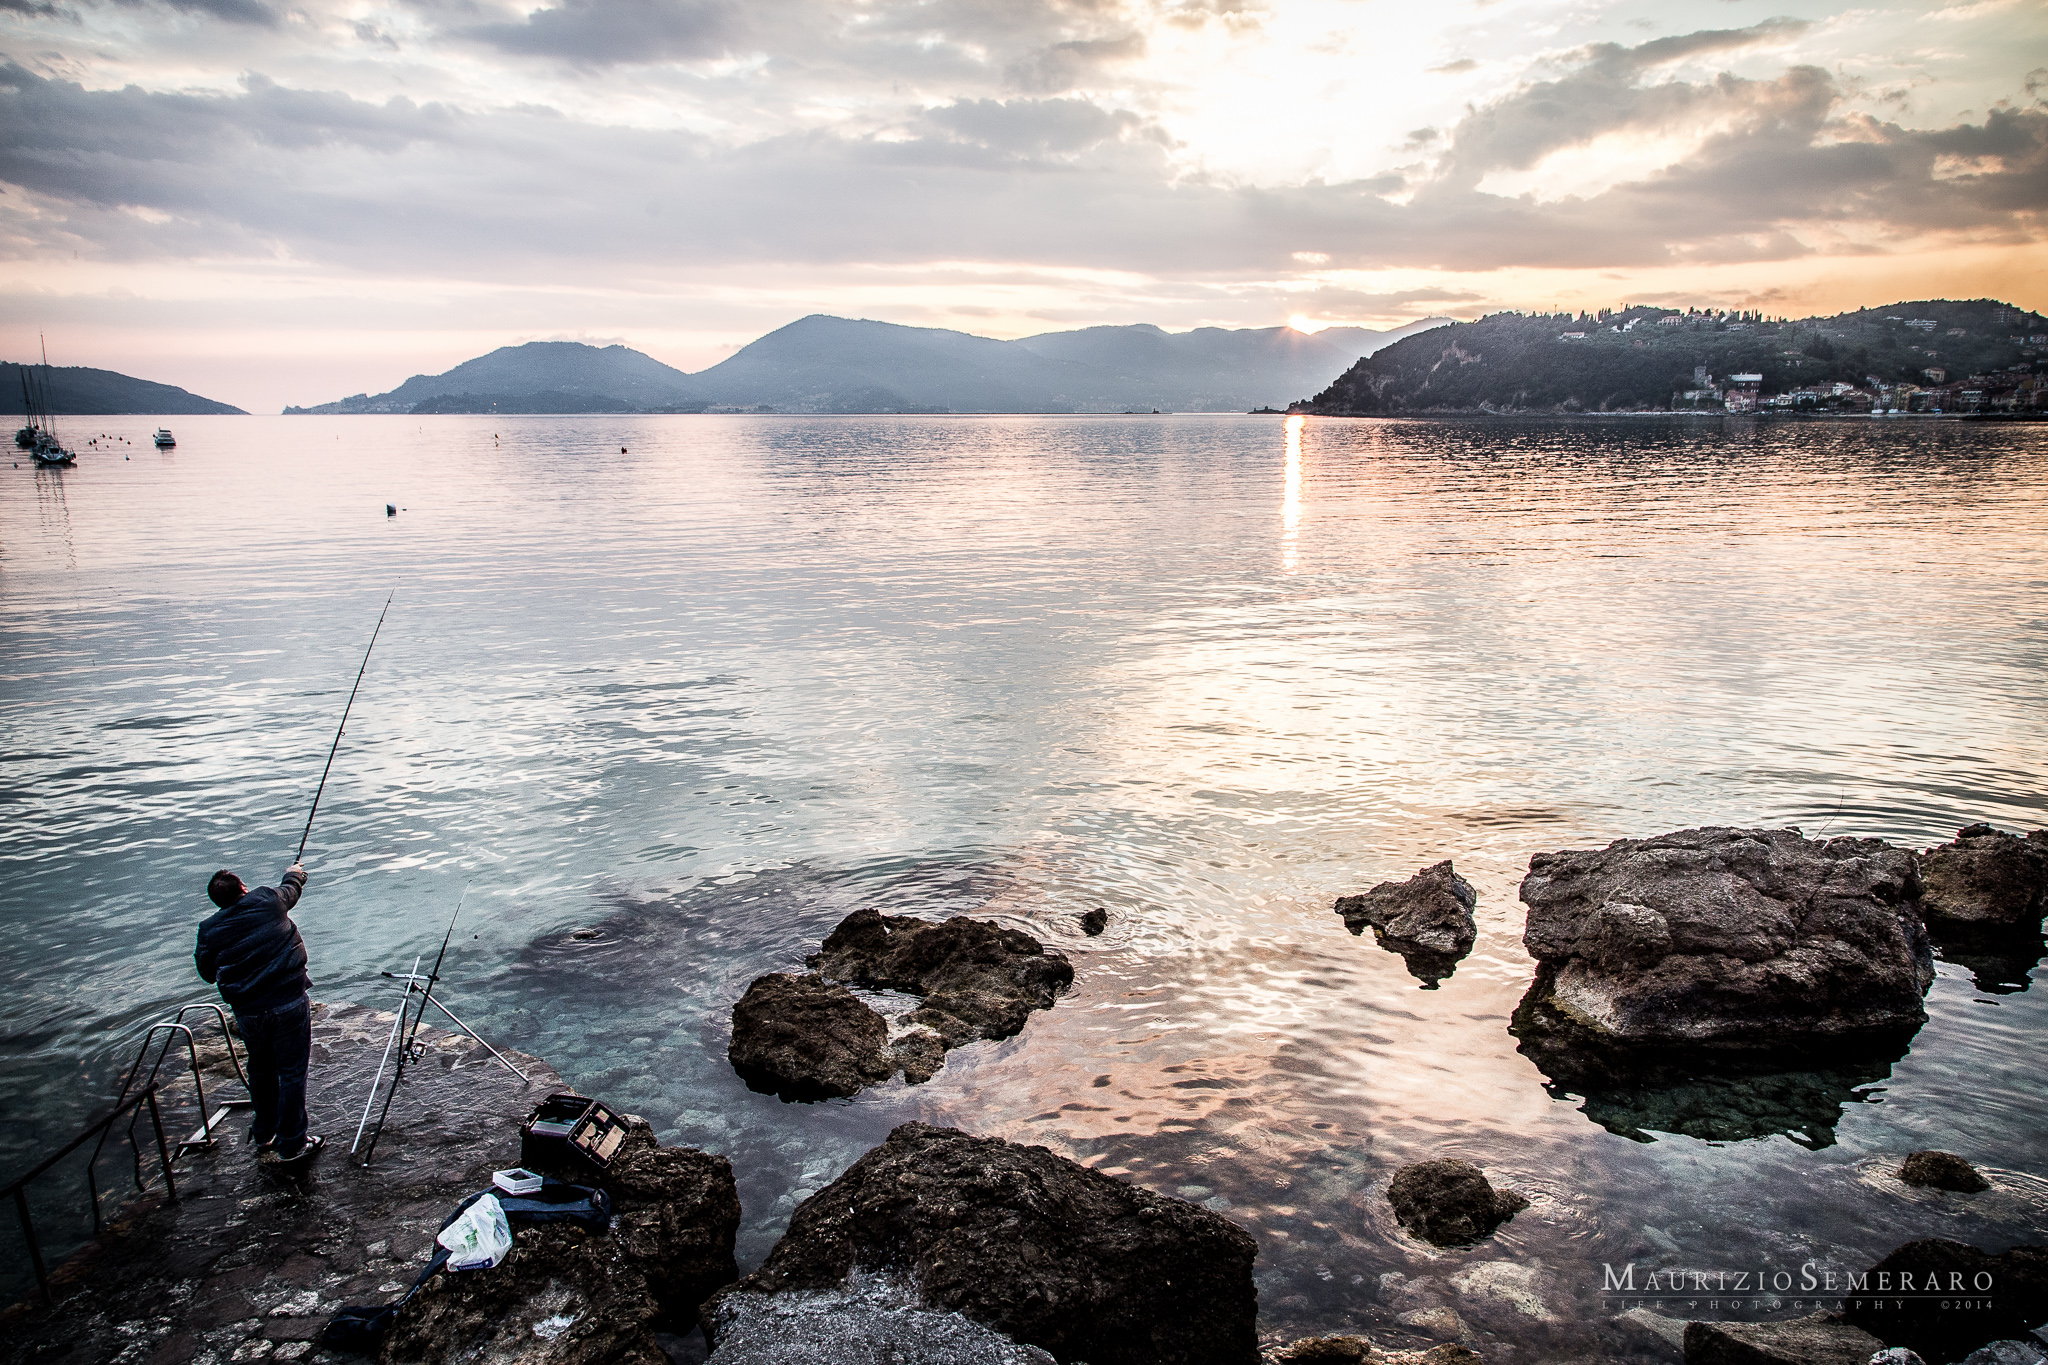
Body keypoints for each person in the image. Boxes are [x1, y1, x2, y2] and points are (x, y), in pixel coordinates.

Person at [195, 864, 324, 1164]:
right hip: (288, 1003)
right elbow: (290, 891)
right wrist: (295, 873)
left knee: (261, 1069)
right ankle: (292, 1144)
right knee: (292, 1073)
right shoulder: (266, 900)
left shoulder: (209, 929)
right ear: (243, 888)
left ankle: (264, 1132)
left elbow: (206, 974)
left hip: (249, 1012)